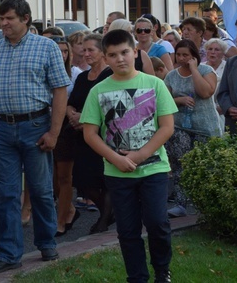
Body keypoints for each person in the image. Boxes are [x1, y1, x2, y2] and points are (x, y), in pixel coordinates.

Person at [0, 0, 70, 274]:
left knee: (41, 191)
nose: (4, 24)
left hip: (36, 125)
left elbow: (60, 90)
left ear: (25, 19)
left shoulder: (46, 47)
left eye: (9, 19)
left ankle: (46, 242)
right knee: (6, 195)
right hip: (1, 128)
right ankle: (9, 253)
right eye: (1, 18)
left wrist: (54, 131)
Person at [80, 29, 177, 283]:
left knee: (157, 222)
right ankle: (137, 276)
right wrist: (117, 159)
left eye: (124, 52)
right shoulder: (98, 91)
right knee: (127, 230)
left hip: (153, 168)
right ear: (106, 58)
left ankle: (162, 270)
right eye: (112, 55)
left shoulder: (154, 84)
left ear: (135, 52)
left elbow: (167, 127)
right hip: (118, 172)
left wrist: (141, 155)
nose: (120, 59)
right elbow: (90, 134)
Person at [163, 39, 220, 219]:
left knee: (206, 165)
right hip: (180, 126)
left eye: (185, 55)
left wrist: (194, 69)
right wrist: (178, 101)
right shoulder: (171, 76)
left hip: (204, 127)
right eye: (178, 55)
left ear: (194, 55)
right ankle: (181, 203)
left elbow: (205, 92)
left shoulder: (206, 71)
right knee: (180, 164)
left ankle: (205, 205)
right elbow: (162, 101)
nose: (181, 58)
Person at [67, 33, 115, 234]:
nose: (85, 54)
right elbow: (71, 101)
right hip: (81, 138)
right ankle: (111, 213)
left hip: (103, 136)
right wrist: (71, 113)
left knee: (104, 180)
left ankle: (103, 220)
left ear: (102, 52)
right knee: (84, 182)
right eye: (83, 49)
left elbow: (111, 107)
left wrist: (85, 119)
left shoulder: (110, 76)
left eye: (91, 50)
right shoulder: (81, 77)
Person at [53, 36, 82, 237]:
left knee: (65, 177)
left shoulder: (76, 74)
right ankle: (70, 210)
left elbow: (76, 100)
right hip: (45, 125)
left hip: (67, 129)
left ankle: (61, 220)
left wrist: (69, 112)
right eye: (58, 51)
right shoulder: (43, 70)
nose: (62, 55)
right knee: (52, 178)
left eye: (65, 51)